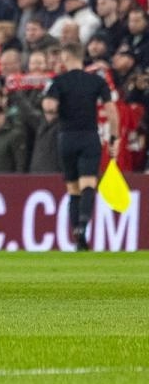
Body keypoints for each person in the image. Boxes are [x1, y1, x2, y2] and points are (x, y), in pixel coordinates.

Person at [44, 43, 119, 251]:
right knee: (88, 185)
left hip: (66, 138)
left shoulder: (58, 82)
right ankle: (83, 225)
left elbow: (49, 107)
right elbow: (111, 111)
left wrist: (52, 112)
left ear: (66, 57)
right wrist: (114, 138)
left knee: (72, 190)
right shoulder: (96, 81)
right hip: (89, 137)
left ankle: (78, 238)